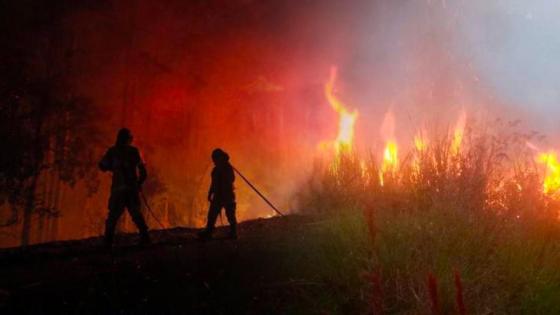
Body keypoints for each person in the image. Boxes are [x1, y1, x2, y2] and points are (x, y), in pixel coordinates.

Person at [99, 128, 150, 247]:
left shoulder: (113, 151)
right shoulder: (134, 151)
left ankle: (108, 242)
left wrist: (114, 168)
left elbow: (102, 166)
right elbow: (143, 171)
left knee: (113, 216)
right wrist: (138, 183)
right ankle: (145, 237)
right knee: (136, 214)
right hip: (131, 189)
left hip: (119, 190)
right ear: (129, 139)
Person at [198, 148, 237, 240]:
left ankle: (233, 232)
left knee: (230, 214)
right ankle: (209, 232)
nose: (213, 161)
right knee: (212, 214)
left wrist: (224, 176)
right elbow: (213, 183)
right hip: (218, 196)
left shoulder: (227, 168)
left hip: (227, 195)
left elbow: (232, 179)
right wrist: (210, 192)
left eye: (215, 158)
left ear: (220, 158)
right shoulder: (215, 170)